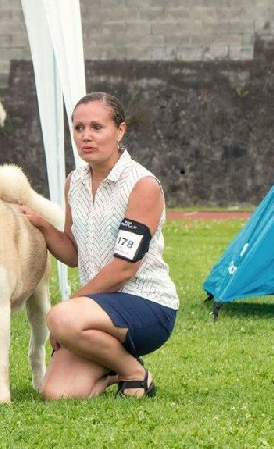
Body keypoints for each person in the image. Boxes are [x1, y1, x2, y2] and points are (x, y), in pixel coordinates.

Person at [19, 92, 179, 400]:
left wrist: (71, 309)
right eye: (79, 128)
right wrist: (40, 223)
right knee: (58, 393)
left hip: (147, 305)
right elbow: (73, 254)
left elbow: (125, 267)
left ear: (120, 131)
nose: (86, 136)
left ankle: (135, 375)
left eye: (97, 127)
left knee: (61, 317)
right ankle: (116, 366)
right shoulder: (73, 183)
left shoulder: (142, 185)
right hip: (93, 314)